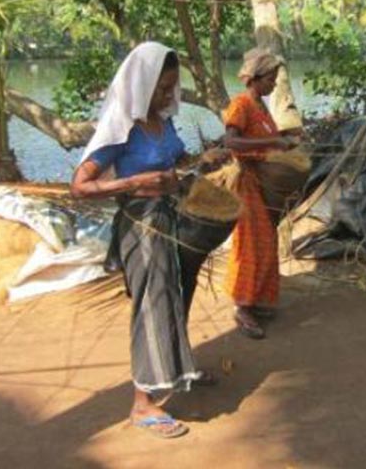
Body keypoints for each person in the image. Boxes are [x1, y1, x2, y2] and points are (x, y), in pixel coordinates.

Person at [70, 41, 220, 439]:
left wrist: (204, 161)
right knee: (152, 307)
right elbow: (80, 186)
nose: (168, 95)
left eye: (172, 87)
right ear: (141, 84)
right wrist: (135, 182)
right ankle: (142, 405)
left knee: (178, 294)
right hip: (143, 227)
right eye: (161, 87)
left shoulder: (164, 121)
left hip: (176, 219)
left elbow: (177, 161)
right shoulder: (122, 127)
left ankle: (179, 368)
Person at [223, 48, 297, 339]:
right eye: (270, 79)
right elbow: (231, 142)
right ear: (254, 78)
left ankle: (255, 300)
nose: (273, 84)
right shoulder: (241, 104)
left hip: (261, 181)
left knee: (266, 240)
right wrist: (274, 142)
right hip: (246, 183)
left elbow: (266, 140)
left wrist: (286, 141)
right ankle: (242, 306)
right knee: (251, 243)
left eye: (275, 79)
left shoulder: (261, 107)